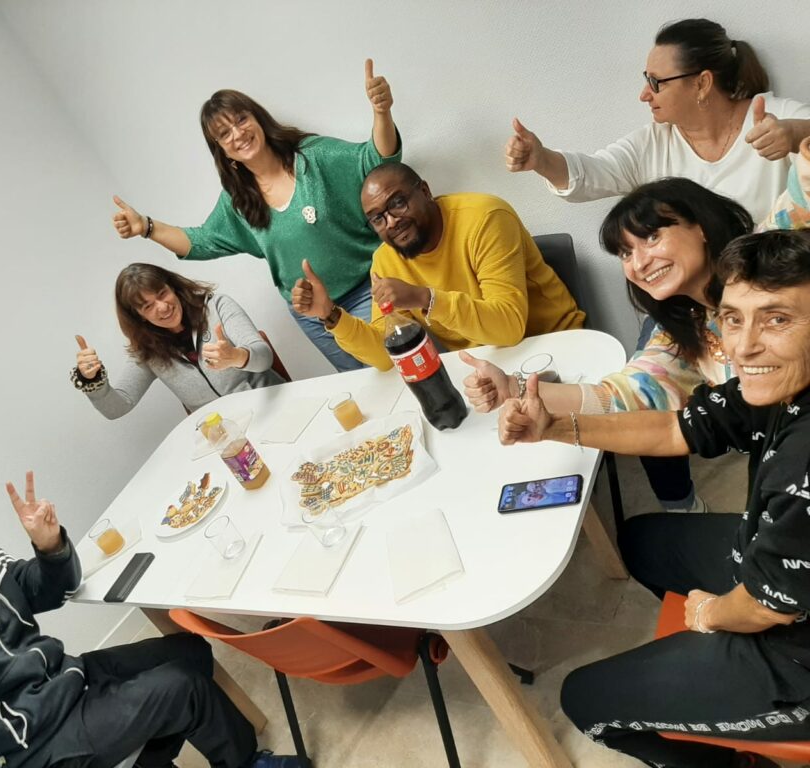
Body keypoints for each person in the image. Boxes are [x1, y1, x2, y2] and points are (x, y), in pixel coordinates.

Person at [498, 230, 810, 768]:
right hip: (778, 577)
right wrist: (556, 427)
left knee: (585, 701)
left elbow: (765, 608)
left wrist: (712, 614)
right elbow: (674, 430)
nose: (744, 345)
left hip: (795, 648)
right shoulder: (779, 382)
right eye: (734, 318)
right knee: (643, 541)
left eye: (777, 319)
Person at [0, 472, 300, 768]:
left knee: (191, 651)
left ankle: (150, 754)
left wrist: (49, 546)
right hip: (30, 746)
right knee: (181, 688)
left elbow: (56, 589)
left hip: (66, 682)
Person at [462, 177, 753, 514]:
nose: (639, 263)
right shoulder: (684, 328)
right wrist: (512, 387)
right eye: (626, 252)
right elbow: (625, 396)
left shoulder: (770, 275)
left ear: (701, 226)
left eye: (652, 237)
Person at [109, 61, 401, 372]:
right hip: (314, 315)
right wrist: (146, 227)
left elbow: (377, 161)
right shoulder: (239, 201)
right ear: (221, 150)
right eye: (224, 133)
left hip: (369, 290)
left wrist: (381, 112)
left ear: (257, 119)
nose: (238, 134)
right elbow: (201, 242)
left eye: (241, 120)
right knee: (363, 383)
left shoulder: (314, 157)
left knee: (402, 365)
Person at [506, 18, 810, 223]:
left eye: (656, 82)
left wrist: (796, 134)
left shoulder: (771, 115)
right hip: (690, 303)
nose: (644, 95)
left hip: (776, 293)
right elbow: (590, 174)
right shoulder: (653, 143)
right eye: (646, 80)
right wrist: (541, 159)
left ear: (702, 83)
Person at [290, 162, 585, 370]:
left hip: (555, 345)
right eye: (378, 218)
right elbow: (385, 355)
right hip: (489, 367)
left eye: (398, 203)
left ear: (425, 191)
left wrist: (424, 298)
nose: (391, 221)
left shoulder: (485, 218)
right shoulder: (385, 261)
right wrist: (330, 315)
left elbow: (509, 328)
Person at [72, 263, 284, 417]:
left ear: (173, 287)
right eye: (148, 306)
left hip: (271, 405)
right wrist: (93, 381)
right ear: (139, 316)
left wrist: (237, 356)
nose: (162, 307)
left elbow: (263, 357)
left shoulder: (217, 306)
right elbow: (118, 408)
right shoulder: (146, 351)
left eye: (163, 294)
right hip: (226, 433)